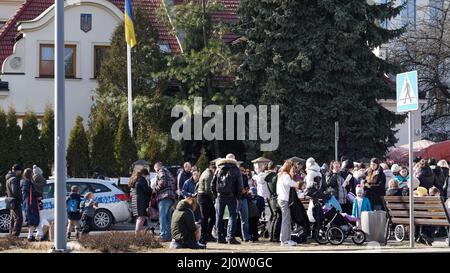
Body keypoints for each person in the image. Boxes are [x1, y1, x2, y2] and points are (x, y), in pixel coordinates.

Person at [211, 154, 244, 244]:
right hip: (231, 196)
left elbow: (212, 184)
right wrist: (238, 197)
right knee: (232, 216)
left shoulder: (218, 169)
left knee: (219, 216)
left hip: (220, 196)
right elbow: (240, 185)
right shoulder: (236, 169)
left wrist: (216, 195)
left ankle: (219, 237)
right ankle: (230, 237)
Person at [276, 159, 299, 246]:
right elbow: (289, 183)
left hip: (281, 199)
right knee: (286, 220)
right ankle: (284, 240)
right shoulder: (286, 175)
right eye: (292, 167)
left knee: (287, 220)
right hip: (284, 199)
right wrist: (298, 184)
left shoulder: (280, 175)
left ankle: (287, 239)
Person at [154, 161, 177, 242]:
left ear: (157, 167)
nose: (155, 171)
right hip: (171, 197)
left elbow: (162, 181)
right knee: (168, 218)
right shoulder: (169, 172)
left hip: (163, 196)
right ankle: (169, 235)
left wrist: (155, 189)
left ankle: (163, 235)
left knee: (162, 217)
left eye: (155, 169)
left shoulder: (161, 171)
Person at [197, 160, 217, 243]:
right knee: (205, 217)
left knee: (212, 216)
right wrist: (215, 196)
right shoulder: (209, 175)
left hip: (205, 196)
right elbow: (208, 189)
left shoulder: (207, 172)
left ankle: (208, 234)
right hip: (204, 196)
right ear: (213, 168)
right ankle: (204, 235)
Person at [129, 168, 152, 235]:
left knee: (139, 217)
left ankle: (137, 234)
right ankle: (137, 234)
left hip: (135, 201)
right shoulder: (142, 179)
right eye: (146, 175)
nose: (147, 176)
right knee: (142, 217)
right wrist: (151, 189)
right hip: (141, 202)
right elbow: (147, 190)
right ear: (144, 174)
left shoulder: (134, 180)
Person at [21, 168, 40, 241]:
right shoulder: (28, 182)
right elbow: (32, 192)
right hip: (31, 203)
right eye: (32, 173)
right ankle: (30, 236)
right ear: (30, 174)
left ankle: (31, 235)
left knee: (31, 220)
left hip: (27, 202)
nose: (33, 174)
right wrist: (38, 196)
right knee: (33, 220)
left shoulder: (23, 182)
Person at [5, 164, 23, 237]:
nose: (21, 172)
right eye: (20, 171)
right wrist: (21, 197)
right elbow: (15, 191)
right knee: (19, 218)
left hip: (10, 201)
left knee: (13, 219)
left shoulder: (8, 179)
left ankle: (11, 235)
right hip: (15, 201)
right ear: (17, 171)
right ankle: (15, 235)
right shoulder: (14, 179)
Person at [32, 165, 48, 241]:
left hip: (35, 200)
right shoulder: (39, 178)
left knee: (38, 218)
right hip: (38, 199)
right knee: (40, 218)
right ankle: (40, 234)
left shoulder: (33, 179)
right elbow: (45, 182)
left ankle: (39, 233)